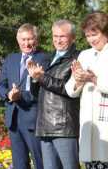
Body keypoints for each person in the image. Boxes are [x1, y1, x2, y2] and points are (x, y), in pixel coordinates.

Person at [27, 20, 80, 169]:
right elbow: (36, 93)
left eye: (62, 36)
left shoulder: (77, 58)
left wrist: (41, 77)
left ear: (73, 37)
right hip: (44, 125)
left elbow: (69, 89)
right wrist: (34, 79)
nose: (58, 40)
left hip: (64, 126)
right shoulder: (48, 58)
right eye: (55, 36)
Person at [0, 23, 49, 169]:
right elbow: (1, 84)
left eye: (30, 39)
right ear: (18, 40)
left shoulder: (43, 59)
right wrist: (9, 94)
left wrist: (20, 96)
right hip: (13, 120)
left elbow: (40, 90)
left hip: (33, 119)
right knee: (19, 164)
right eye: (23, 39)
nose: (26, 43)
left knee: (41, 163)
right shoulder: (11, 59)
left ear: (36, 40)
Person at [65, 11, 108, 169]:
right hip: (89, 126)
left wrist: (93, 79)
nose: (91, 39)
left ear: (105, 31)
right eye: (88, 35)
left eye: (94, 34)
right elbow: (70, 90)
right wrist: (78, 79)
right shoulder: (84, 55)